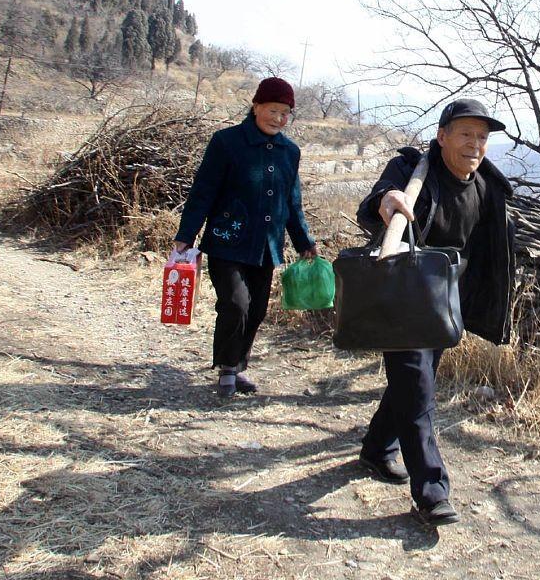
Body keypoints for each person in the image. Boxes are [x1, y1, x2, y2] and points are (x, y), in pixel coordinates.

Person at [354, 98, 516, 526]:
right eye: (465, 134)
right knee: (419, 388)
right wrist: (385, 202)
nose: (475, 144)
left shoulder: (486, 187)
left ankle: (375, 449)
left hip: (444, 304)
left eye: (482, 137)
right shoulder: (413, 171)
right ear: (442, 136)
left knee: (413, 383)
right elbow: (374, 203)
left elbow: (487, 252)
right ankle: (431, 492)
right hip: (402, 296)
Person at [173, 76, 318, 399]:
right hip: (226, 241)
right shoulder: (226, 142)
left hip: (266, 247)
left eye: (285, 113)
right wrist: (187, 235)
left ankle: (239, 365)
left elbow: (292, 202)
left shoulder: (289, 152)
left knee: (256, 311)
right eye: (273, 110)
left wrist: (304, 241)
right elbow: (203, 192)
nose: (279, 118)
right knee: (236, 304)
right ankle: (227, 367)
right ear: (256, 107)